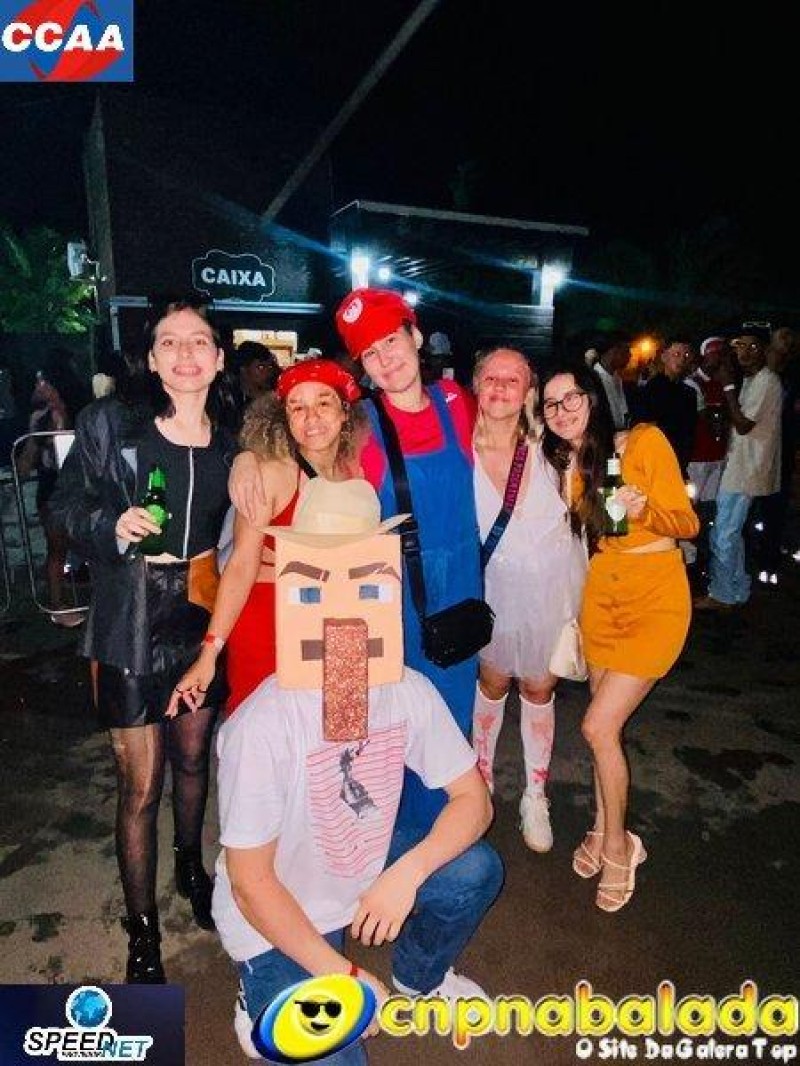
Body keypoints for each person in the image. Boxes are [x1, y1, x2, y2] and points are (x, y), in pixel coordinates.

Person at [213, 476, 503, 1061]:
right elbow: (250, 883)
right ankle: (256, 991)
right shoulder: (263, 723)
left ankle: (418, 977)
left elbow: (475, 801)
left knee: (475, 869)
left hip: (359, 870)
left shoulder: (406, 690)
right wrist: (343, 973)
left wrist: (407, 873)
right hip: (275, 916)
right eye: (320, 586)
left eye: (363, 582)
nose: (343, 607)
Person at [50, 299, 238, 982]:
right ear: (152, 358)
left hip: (200, 609)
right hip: (130, 614)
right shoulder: (109, 422)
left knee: (193, 759)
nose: (185, 354)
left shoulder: (235, 439)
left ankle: (190, 866)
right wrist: (108, 524)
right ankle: (143, 933)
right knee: (140, 785)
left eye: (199, 341)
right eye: (169, 342)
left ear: (218, 358)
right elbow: (63, 504)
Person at [539, 361, 698, 911]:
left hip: (653, 598)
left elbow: (687, 523)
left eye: (571, 397)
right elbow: (597, 537)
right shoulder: (575, 465)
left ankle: (618, 845)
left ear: (593, 397)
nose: (562, 410)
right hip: (602, 601)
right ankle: (602, 824)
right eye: (551, 404)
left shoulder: (643, 441)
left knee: (597, 725)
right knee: (604, 733)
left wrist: (646, 507)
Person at [333, 288, 482, 833]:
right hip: (390, 605)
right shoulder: (356, 423)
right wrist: (248, 462)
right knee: (384, 735)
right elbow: (296, 452)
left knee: (449, 733)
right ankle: (382, 850)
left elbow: (521, 436)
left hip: (459, 597)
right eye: (370, 352)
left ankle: (437, 849)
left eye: (391, 341)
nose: (386, 359)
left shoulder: (457, 401)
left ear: (415, 337)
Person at [168, 358, 366, 719]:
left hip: (335, 623)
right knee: (264, 731)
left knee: (329, 734)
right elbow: (241, 565)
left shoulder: (356, 471)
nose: (311, 417)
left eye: (323, 403)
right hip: (269, 624)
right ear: (284, 418)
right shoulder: (272, 474)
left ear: (344, 412)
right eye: (297, 407)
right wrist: (210, 653)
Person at [470, 347, 587, 853]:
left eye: (512, 380)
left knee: (539, 688)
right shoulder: (458, 450)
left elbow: (598, 455)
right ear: (476, 385)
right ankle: (479, 789)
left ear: (528, 393)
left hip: (550, 591)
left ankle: (535, 795)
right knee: (492, 682)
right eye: (490, 378)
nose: (500, 387)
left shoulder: (550, 446)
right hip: (491, 592)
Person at [695, 325, 782, 610]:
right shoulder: (752, 380)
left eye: (752, 346)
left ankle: (721, 594)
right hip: (739, 466)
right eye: (740, 346)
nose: (744, 352)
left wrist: (728, 387)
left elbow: (743, 425)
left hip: (747, 470)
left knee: (723, 533)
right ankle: (737, 589)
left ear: (765, 351)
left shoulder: (767, 381)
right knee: (731, 532)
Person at [19, 356, 89, 626]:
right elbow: (25, 464)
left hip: (80, 489)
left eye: (43, 381)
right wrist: (36, 435)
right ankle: (58, 604)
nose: (39, 387)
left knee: (88, 545)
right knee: (57, 547)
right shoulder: (40, 418)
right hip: (52, 491)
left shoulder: (82, 411)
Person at [684, 336, 732, 578]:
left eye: (722, 354)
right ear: (705, 356)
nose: (720, 359)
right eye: (715, 354)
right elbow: (708, 418)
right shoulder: (692, 383)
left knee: (709, 508)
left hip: (717, 456)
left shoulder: (725, 382)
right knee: (692, 506)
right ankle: (690, 556)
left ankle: (703, 556)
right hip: (698, 457)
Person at [635, 337, 698, 478]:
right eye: (677, 354)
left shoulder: (689, 393)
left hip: (680, 462)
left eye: (686, 355)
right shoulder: (652, 390)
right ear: (664, 357)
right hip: (657, 463)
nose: (682, 360)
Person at [591, 330, 633, 431]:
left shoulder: (617, 378)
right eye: (626, 350)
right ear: (613, 351)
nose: (630, 355)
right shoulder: (593, 380)